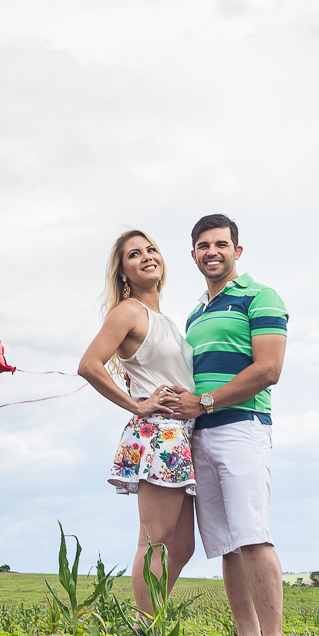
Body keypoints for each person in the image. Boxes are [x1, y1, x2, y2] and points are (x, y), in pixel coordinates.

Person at [167, 214, 288, 636]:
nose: (211, 252)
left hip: (242, 427)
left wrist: (204, 402)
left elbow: (269, 369)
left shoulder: (260, 296)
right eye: (203, 245)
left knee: (252, 534)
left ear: (237, 251)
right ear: (194, 254)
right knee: (227, 546)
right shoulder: (194, 314)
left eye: (220, 244)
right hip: (199, 436)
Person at [77, 229, 197, 615]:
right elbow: (89, 365)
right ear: (123, 273)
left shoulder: (166, 320)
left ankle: (150, 622)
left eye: (151, 250)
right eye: (134, 254)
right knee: (156, 541)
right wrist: (137, 405)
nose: (147, 257)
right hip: (159, 433)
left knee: (182, 546)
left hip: (181, 435)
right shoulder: (129, 312)